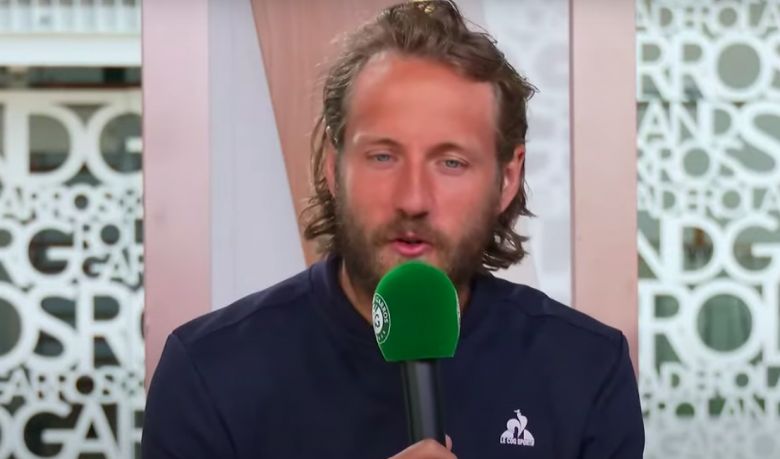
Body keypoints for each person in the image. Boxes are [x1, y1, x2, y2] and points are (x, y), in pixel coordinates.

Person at [141, 1, 645, 458]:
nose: (412, 199)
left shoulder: (586, 369)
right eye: (382, 156)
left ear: (507, 177)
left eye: (450, 162)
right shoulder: (209, 372)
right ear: (333, 167)